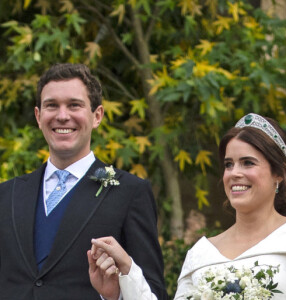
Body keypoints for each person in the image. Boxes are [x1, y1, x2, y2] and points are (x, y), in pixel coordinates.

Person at [0, 63, 168, 300]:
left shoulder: (130, 193)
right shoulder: (6, 195)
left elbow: (153, 293)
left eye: (74, 105)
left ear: (97, 115)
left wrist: (114, 294)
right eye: (51, 106)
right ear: (38, 116)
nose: (62, 115)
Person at [174, 113, 286, 299]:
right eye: (228, 164)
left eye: (248, 163)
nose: (234, 173)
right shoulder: (200, 254)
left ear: (279, 172)